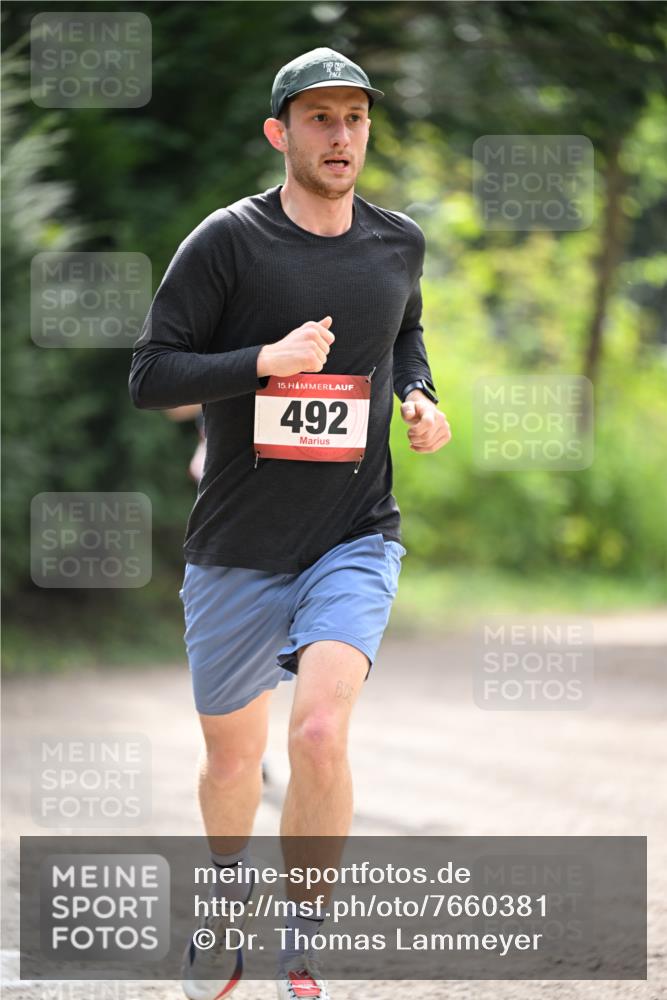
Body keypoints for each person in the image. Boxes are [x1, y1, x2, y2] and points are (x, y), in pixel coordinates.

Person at [128, 45, 451, 1000]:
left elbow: (404, 329)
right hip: (235, 543)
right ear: (281, 133)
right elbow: (151, 375)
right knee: (234, 758)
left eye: (353, 117)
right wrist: (262, 361)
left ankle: (301, 942)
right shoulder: (226, 243)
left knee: (316, 733)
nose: (340, 135)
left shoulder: (398, 243)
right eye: (319, 118)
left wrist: (422, 394)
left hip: (353, 533)